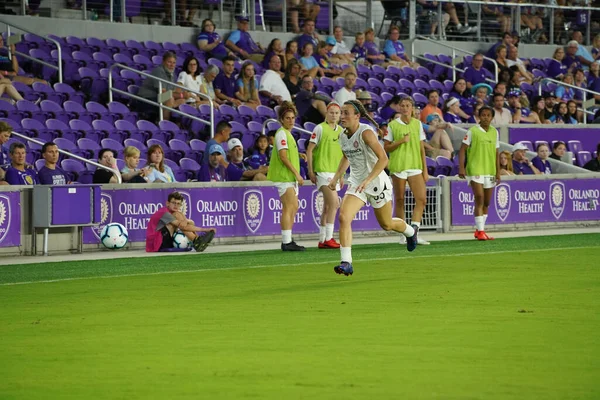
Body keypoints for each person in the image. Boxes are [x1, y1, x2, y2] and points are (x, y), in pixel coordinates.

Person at [328, 100, 417, 276]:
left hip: (376, 183)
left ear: (357, 116)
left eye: (346, 113)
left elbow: (384, 159)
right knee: (344, 217)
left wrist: (368, 180)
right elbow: (346, 157)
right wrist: (337, 177)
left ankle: (410, 231)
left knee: (387, 224)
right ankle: (347, 262)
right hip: (356, 183)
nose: (342, 116)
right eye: (341, 113)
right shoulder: (343, 135)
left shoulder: (366, 133)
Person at [384, 96, 431, 246]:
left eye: (408, 105)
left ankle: (415, 232)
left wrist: (425, 169)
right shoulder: (392, 125)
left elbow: (421, 148)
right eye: (402, 105)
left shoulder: (418, 124)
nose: (405, 108)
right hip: (398, 166)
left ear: (412, 108)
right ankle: (403, 234)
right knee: (399, 200)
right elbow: (386, 147)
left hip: (415, 166)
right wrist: (400, 141)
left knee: (421, 199)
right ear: (399, 108)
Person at [266, 101, 305, 251]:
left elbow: (286, 153)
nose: (291, 120)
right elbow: (283, 156)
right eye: (287, 118)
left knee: (293, 206)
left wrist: (298, 155)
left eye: (292, 117)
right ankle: (286, 241)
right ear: (281, 119)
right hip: (284, 176)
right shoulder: (282, 133)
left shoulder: (287, 134)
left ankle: (288, 239)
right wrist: (297, 173)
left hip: (288, 177)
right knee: (289, 206)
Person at [458, 106, 500, 241]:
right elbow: (462, 150)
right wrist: (461, 168)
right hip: (475, 169)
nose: (485, 117)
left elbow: (496, 153)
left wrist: (498, 172)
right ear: (479, 117)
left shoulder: (494, 132)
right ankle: (481, 231)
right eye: (483, 115)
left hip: (490, 170)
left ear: (492, 118)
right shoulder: (472, 131)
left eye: (488, 115)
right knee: (479, 198)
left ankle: (480, 229)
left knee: (487, 202)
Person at [306, 102, 344, 249]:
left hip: (335, 173)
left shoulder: (341, 131)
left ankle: (322, 239)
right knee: (335, 203)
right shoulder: (320, 128)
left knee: (328, 207)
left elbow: (343, 154)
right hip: (322, 171)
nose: (334, 115)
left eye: (337, 113)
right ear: (326, 114)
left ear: (340, 115)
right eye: (331, 112)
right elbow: (310, 150)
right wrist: (311, 170)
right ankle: (329, 237)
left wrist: (341, 175)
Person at [146, 191, 216, 253]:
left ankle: (197, 240)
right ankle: (196, 241)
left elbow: (188, 223)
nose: (176, 205)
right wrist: (205, 229)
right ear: (167, 203)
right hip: (157, 243)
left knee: (188, 221)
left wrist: (187, 221)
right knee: (179, 218)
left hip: (163, 239)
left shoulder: (175, 212)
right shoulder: (164, 213)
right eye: (173, 203)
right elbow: (182, 226)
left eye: (178, 204)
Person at [136, 52, 186, 120]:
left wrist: (181, 96)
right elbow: (164, 93)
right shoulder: (159, 71)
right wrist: (181, 95)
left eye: (174, 63)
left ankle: (176, 122)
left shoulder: (173, 74)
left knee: (182, 101)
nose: (172, 65)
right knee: (170, 99)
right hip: (146, 98)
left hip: (159, 98)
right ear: (163, 62)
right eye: (169, 62)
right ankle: (164, 124)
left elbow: (173, 91)